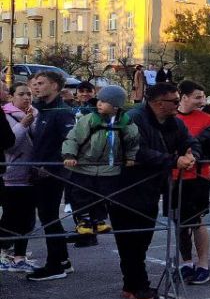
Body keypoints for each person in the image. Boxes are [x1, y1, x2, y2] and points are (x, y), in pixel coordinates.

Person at [115, 83, 199, 299]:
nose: (178, 104)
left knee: (143, 238)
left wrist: (192, 155)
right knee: (129, 239)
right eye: (175, 101)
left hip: (152, 187)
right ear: (159, 103)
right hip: (124, 185)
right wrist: (173, 160)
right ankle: (138, 286)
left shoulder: (175, 122)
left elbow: (190, 141)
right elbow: (137, 151)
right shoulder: (134, 118)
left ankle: (131, 285)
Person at [61, 85, 138, 246]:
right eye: (99, 100)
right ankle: (83, 220)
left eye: (104, 101)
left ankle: (99, 219)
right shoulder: (90, 119)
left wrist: (130, 157)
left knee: (102, 195)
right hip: (84, 165)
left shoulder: (125, 122)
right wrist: (69, 155)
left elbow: (133, 142)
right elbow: (73, 137)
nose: (99, 104)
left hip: (108, 167)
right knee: (80, 194)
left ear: (116, 106)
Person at [25, 71, 79, 281]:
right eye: (35, 83)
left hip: (51, 173)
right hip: (40, 171)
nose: (36, 87)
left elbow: (69, 142)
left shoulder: (61, 111)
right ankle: (63, 260)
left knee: (49, 217)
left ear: (55, 85)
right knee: (49, 217)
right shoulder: (43, 109)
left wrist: (52, 166)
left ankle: (55, 265)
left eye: (41, 83)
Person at [174, 80, 210, 285]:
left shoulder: (208, 119)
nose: (202, 101)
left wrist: (195, 146)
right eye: (197, 97)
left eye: (203, 97)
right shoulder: (171, 118)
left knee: (197, 221)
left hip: (198, 177)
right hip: (174, 178)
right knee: (178, 222)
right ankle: (186, 263)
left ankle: (203, 265)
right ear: (184, 97)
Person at [1, 84, 40, 272]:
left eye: (29, 94)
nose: (26, 98)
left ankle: (20, 257)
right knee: (10, 218)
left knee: (27, 219)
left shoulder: (36, 114)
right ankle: (3, 252)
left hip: (31, 175)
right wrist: (23, 124)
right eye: (21, 94)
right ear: (11, 97)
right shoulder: (6, 116)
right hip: (11, 175)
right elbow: (9, 146)